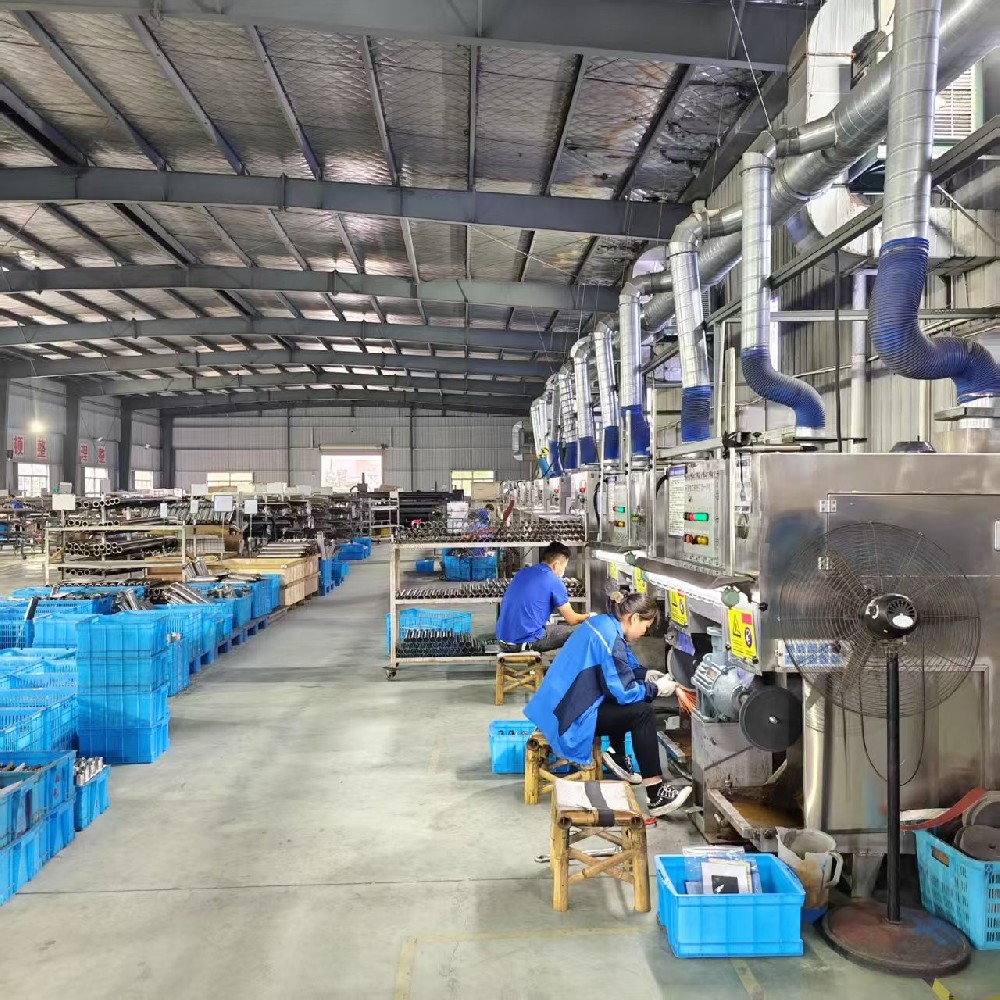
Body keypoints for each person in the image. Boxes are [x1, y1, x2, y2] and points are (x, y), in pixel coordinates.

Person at [524, 592, 692, 818]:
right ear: (634, 618)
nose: (645, 632)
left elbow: (621, 666)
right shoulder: (609, 638)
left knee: (626, 700)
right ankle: (656, 794)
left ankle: (618, 755)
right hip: (569, 717)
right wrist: (655, 689)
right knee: (642, 713)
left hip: (554, 706)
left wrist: (645, 674)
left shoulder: (603, 624)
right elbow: (622, 692)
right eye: (645, 626)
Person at [496, 541, 593, 653]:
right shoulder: (554, 580)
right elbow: (572, 619)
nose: (564, 571)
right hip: (524, 642)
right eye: (564, 567)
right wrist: (590, 616)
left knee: (551, 629)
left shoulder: (522, 573)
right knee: (582, 630)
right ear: (556, 565)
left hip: (502, 640)